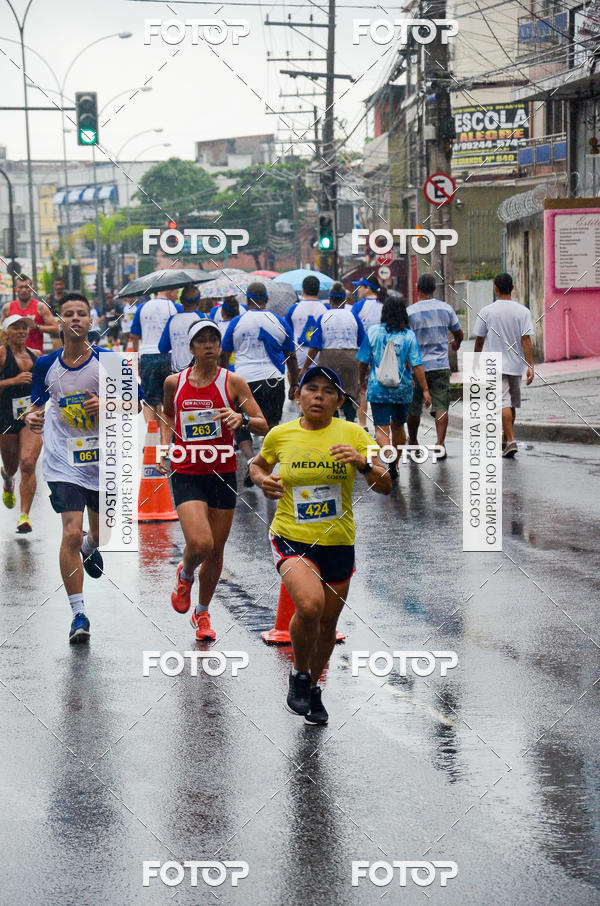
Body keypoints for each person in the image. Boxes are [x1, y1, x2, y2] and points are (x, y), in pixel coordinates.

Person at [250, 366, 391, 724]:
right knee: (310, 607)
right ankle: (299, 675)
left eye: (327, 391)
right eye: (310, 389)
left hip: (338, 541)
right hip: (291, 536)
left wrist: (361, 462)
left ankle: (313, 687)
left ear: (339, 401)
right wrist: (264, 480)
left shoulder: (354, 434)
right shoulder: (280, 435)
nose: (318, 396)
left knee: (327, 624)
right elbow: (257, 466)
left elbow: (386, 484)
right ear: (297, 396)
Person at [26, 292, 144, 643]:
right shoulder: (46, 365)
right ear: (58, 323)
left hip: (103, 458)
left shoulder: (110, 361)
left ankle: (93, 545)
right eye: (68, 314)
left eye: (81, 314)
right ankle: (79, 615)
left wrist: (106, 402)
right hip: (64, 460)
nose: (75, 319)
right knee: (70, 534)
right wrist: (32, 417)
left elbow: (136, 404)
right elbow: (34, 405)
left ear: (91, 322)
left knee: (101, 534)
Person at [160, 319, 268, 639]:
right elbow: (168, 416)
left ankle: (203, 613)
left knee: (217, 550)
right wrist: (165, 448)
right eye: (202, 340)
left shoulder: (233, 382)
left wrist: (242, 418)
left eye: (214, 340)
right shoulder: (173, 382)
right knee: (201, 543)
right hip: (187, 470)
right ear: (191, 348)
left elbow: (262, 423)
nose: (209, 345)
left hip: (221, 471)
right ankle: (186, 573)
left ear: (220, 347)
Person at [220, 281, 299, 486]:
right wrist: (295, 383)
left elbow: (224, 354)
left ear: (247, 299)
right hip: (273, 380)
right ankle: (265, 466)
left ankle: (250, 460)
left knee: (241, 422)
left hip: (243, 381)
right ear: (266, 300)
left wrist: (222, 380)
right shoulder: (279, 321)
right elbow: (291, 356)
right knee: (271, 425)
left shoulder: (236, 322)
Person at [357, 297, 431, 481]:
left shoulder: (373, 332)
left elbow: (363, 361)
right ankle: (395, 463)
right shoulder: (408, 335)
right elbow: (417, 364)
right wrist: (426, 389)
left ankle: (388, 458)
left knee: (381, 429)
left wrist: (361, 381)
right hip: (403, 389)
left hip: (378, 389)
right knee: (398, 426)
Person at [473, 272, 534, 458]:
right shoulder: (523, 311)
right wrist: (530, 364)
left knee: (503, 402)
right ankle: (505, 438)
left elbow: (480, 339)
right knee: (511, 404)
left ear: (496, 289)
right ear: (513, 288)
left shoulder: (487, 311)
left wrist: (476, 359)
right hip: (516, 365)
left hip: (495, 364)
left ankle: (511, 440)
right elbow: (526, 340)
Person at [406, 273, 464, 459]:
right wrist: (456, 343)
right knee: (441, 405)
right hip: (440, 365)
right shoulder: (445, 309)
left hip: (417, 366)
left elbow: (406, 338)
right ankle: (440, 444)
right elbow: (459, 332)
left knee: (413, 406)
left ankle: (413, 441)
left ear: (418, 289)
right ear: (434, 289)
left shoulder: (410, 312)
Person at [0, 314, 43, 532]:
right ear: (6, 332)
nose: (21, 331)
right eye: (16, 327)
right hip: (5, 417)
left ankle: (24, 516)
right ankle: (7, 479)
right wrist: (12, 381)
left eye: (24, 328)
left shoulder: (36, 356)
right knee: (12, 466)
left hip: (30, 417)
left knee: (27, 462)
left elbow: (46, 387)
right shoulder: (2, 354)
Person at [300, 281, 365, 422]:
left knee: (330, 392)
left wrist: (305, 368)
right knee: (350, 393)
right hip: (351, 358)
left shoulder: (323, 318)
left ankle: (332, 421)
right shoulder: (353, 316)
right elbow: (363, 343)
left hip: (329, 359)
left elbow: (314, 347)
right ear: (344, 300)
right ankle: (349, 421)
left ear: (330, 299)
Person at [130, 287, 182, 423]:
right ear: (169, 290)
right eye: (176, 292)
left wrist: (137, 358)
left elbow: (134, 335)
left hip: (148, 356)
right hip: (169, 357)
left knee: (149, 399)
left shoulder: (142, 307)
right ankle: (168, 438)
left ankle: (152, 437)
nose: (177, 296)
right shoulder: (176, 307)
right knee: (171, 399)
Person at [351, 277, 386, 427]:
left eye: (360, 287)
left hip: (364, 355)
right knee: (384, 387)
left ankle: (363, 425)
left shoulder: (358, 307)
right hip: (385, 354)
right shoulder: (385, 304)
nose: (358, 290)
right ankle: (385, 423)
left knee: (363, 389)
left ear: (368, 288)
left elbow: (354, 329)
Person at [1, 275, 59, 354]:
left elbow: (56, 329)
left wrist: (37, 327)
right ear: (15, 289)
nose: (24, 290)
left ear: (32, 288)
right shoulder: (8, 307)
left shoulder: (40, 307)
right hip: (13, 356)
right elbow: (2, 332)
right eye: (21, 287)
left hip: (35, 354)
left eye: (27, 287)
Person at [158, 283, 206, 372]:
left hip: (177, 375)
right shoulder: (204, 318)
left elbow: (163, 348)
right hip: (200, 372)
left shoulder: (172, 320)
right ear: (199, 302)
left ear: (181, 300)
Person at [285, 275, 328, 370]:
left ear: (303, 290)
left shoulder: (293, 309)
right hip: (320, 358)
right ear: (318, 291)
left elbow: (287, 335)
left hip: (298, 358)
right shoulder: (326, 309)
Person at [46, 277, 67, 350]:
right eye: (56, 284)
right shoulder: (49, 298)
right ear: (53, 286)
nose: (58, 286)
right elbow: (46, 312)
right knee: (56, 350)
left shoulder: (68, 297)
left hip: (66, 326)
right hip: (54, 326)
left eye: (60, 284)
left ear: (64, 285)